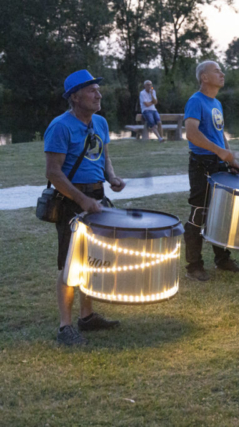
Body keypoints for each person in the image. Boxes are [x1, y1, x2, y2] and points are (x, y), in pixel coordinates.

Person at [44, 70, 126, 346]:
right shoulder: (60, 126)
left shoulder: (100, 122)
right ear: (75, 97)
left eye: (98, 90)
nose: (98, 94)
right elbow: (54, 173)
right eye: (91, 90)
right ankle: (65, 327)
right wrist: (82, 201)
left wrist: (111, 177)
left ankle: (87, 317)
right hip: (72, 201)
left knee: (91, 260)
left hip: (96, 198)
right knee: (70, 264)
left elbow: (103, 156)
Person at [183, 60, 239, 281]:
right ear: (204, 77)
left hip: (217, 163)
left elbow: (220, 133)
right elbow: (191, 133)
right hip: (201, 164)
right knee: (200, 212)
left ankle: (222, 259)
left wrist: (229, 157)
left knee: (221, 213)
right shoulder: (195, 101)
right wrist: (219, 151)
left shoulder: (216, 103)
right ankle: (194, 266)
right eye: (217, 71)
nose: (222, 74)